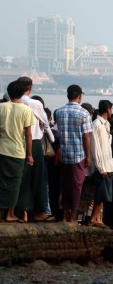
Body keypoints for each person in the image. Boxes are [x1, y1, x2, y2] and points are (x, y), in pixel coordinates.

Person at [16, 77, 55, 222]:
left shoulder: (13, 102)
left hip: (19, 143)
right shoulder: (35, 103)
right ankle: (40, 212)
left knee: (23, 178)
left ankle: (23, 212)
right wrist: (52, 139)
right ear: (30, 88)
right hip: (35, 142)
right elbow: (45, 122)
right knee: (38, 178)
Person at [55, 85, 93, 223]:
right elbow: (86, 137)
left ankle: (65, 213)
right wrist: (88, 156)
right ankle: (73, 215)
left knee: (65, 185)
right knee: (77, 186)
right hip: (79, 155)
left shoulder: (59, 112)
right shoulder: (84, 113)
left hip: (64, 153)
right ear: (79, 96)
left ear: (67, 95)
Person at [0, 81, 35, 222]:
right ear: (22, 93)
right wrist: (30, 155)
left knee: (1, 181)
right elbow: (28, 134)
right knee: (15, 183)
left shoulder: (1, 107)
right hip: (17, 152)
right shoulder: (26, 110)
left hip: (2, 149)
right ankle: (9, 213)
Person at [90, 99, 113, 228]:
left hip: (108, 164)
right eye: (111, 109)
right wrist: (101, 167)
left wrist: (111, 165)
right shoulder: (96, 124)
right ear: (108, 109)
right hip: (101, 166)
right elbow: (96, 148)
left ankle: (97, 219)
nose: (111, 112)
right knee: (100, 194)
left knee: (104, 195)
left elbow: (107, 148)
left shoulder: (106, 125)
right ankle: (93, 219)